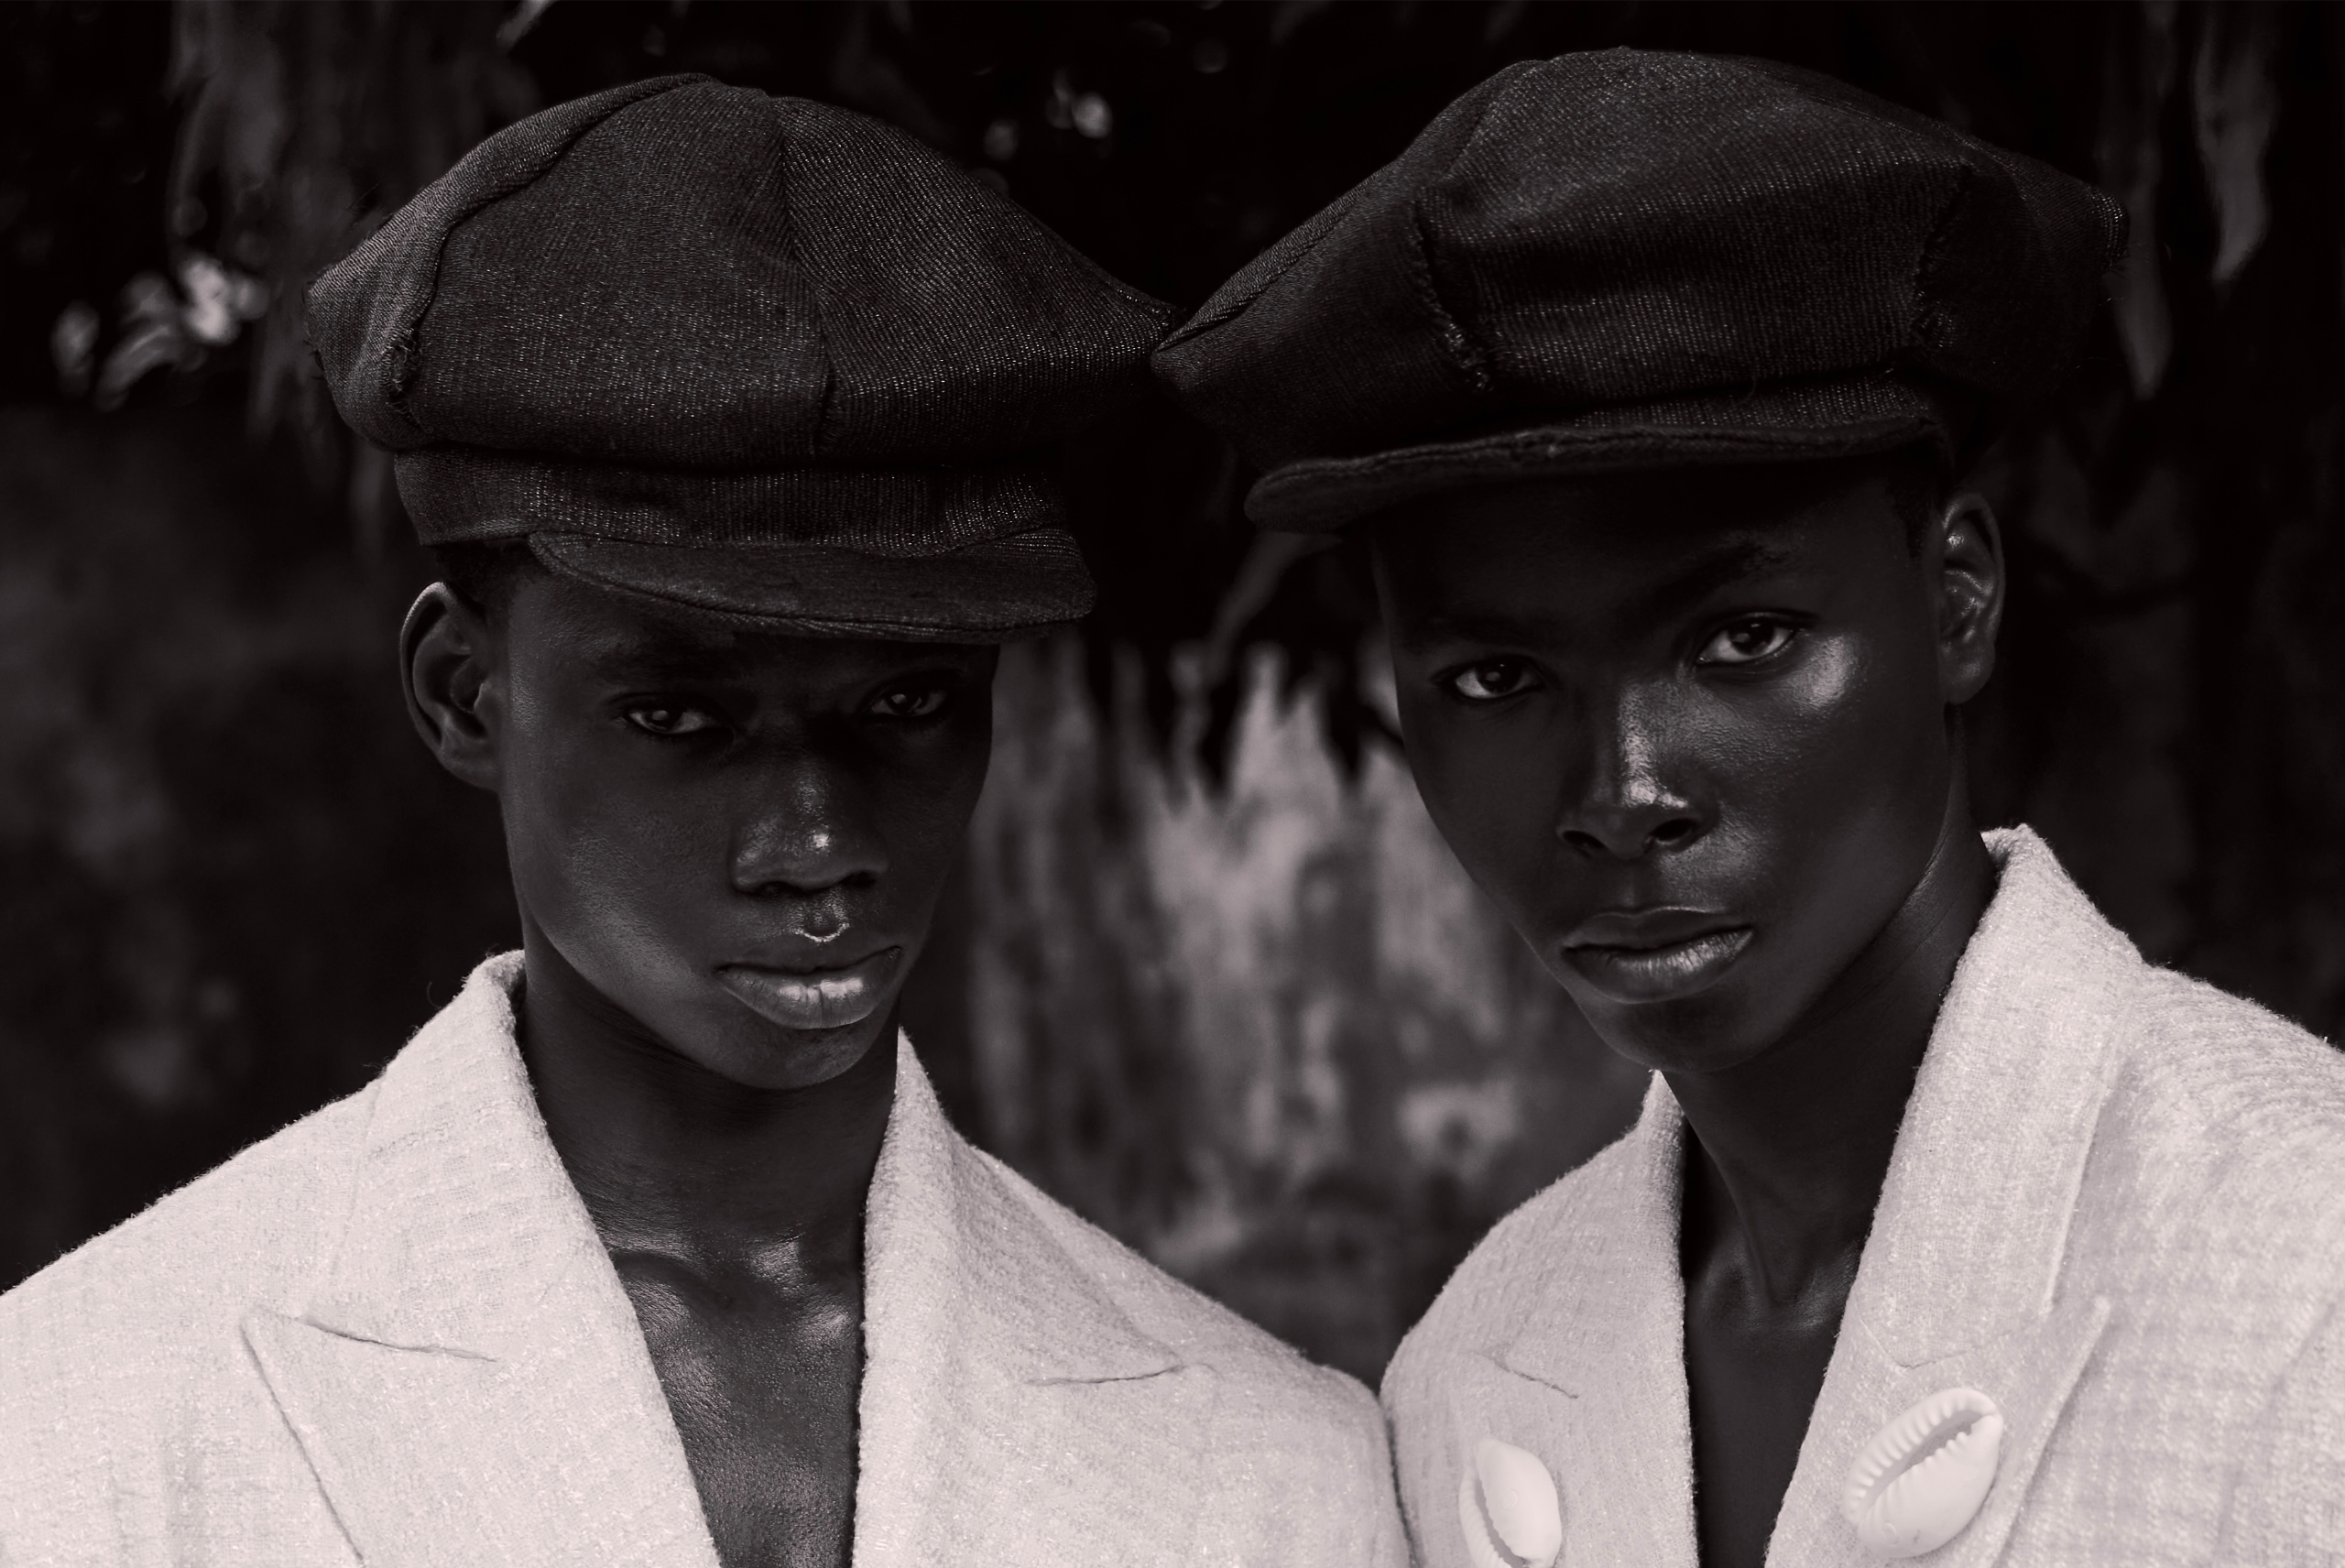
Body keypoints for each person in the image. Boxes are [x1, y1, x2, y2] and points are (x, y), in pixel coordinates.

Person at [0, 76, 1402, 1568]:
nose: (814, 841)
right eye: (682, 715)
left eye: (909, 704)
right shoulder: (89, 1416)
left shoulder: (1266, 1475)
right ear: (463, 694)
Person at [1157, 49, 2345, 1568]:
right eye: (1497, 677)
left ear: (1959, 600)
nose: (1623, 790)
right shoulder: (1480, 1365)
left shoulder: (2299, 1273)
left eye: (1741, 640)